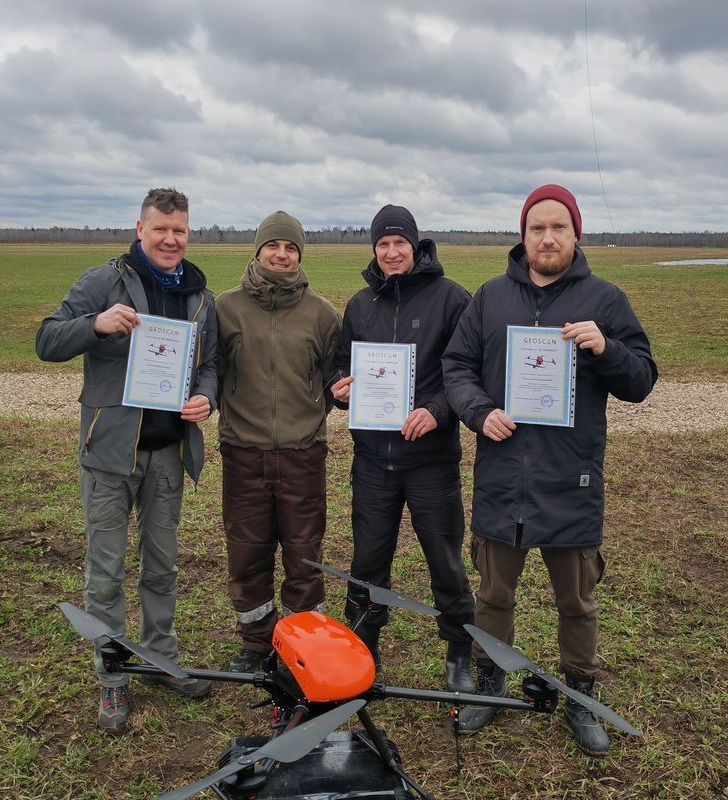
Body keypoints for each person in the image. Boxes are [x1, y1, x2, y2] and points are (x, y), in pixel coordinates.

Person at [441, 184, 657, 753]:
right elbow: (456, 366)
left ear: (575, 234)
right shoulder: (489, 298)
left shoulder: (605, 301)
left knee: (577, 601)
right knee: (493, 595)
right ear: (523, 235)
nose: (547, 237)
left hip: (571, 479)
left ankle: (580, 696)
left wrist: (605, 348)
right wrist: (479, 412)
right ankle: (491, 684)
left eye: (558, 227)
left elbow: (641, 381)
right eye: (537, 227)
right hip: (503, 477)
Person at [36, 187, 216, 735]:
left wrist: (207, 398)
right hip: (110, 455)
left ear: (189, 233)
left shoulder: (198, 294)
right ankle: (112, 675)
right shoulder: (102, 282)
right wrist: (96, 325)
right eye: (160, 228)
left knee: (162, 568)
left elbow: (208, 365)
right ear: (140, 229)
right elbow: (46, 339)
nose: (170, 239)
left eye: (179, 229)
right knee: (106, 573)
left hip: (167, 454)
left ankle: (161, 658)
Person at [329, 204, 475, 692]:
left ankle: (459, 647)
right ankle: (362, 646)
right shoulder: (359, 305)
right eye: (382, 244)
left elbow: (466, 371)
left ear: (416, 245)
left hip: (431, 460)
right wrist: (339, 387)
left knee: (444, 557)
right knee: (369, 558)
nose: (392, 252)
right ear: (374, 250)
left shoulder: (453, 299)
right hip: (373, 459)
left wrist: (436, 410)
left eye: (400, 243)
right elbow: (339, 365)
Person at [214, 211, 342, 671]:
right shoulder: (225, 309)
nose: (282, 254)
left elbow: (333, 380)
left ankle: (304, 644)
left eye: (290, 247)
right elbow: (213, 372)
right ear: (258, 250)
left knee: (304, 553)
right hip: (243, 453)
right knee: (247, 551)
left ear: (300, 254)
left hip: (303, 454)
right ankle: (255, 642)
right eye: (274, 246)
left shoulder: (323, 314)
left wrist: (328, 403)